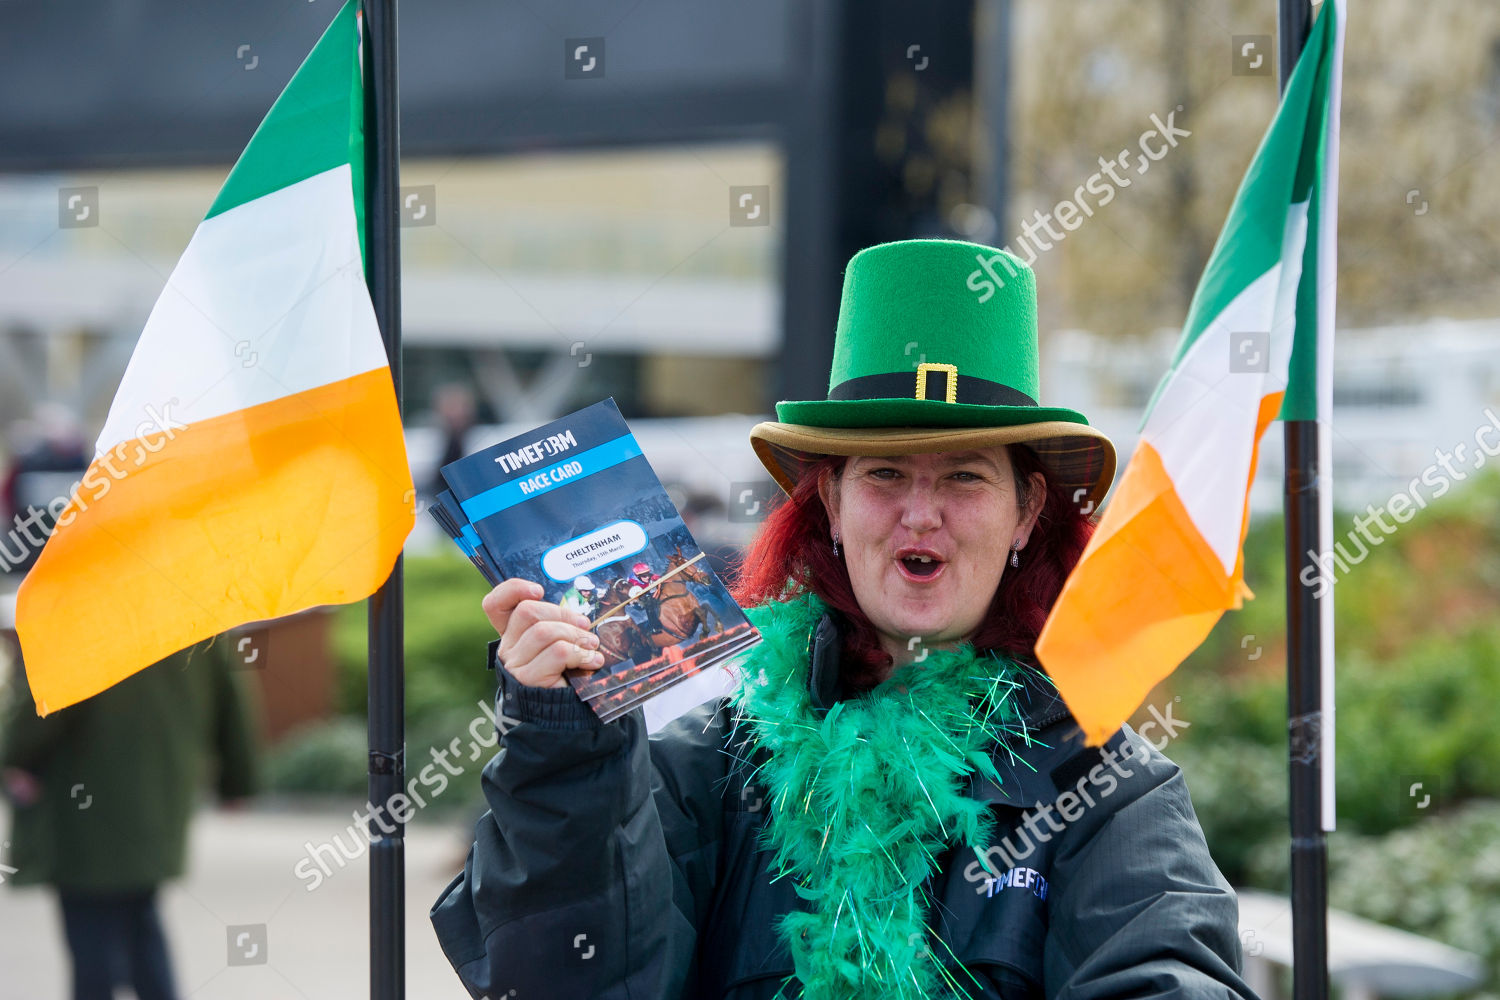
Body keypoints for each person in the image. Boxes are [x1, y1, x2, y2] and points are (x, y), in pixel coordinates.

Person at [431, 239, 1255, 999]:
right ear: (829, 502)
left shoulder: (1107, 789)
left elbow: (1165, 975)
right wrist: (563, 747)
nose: (921, 515)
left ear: (1028, 513)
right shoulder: (711, 770)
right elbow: (576, 982)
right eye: (885, 473)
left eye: (965, 477)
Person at [1, 632, 261, 1000]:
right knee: (141, 924)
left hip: (85, 810)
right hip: (158, 802)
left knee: (93, 942)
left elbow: (45, 704)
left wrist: (14, 759)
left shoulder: (82, 613)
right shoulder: (192, 616)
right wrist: (238, 781)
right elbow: (231, 700)